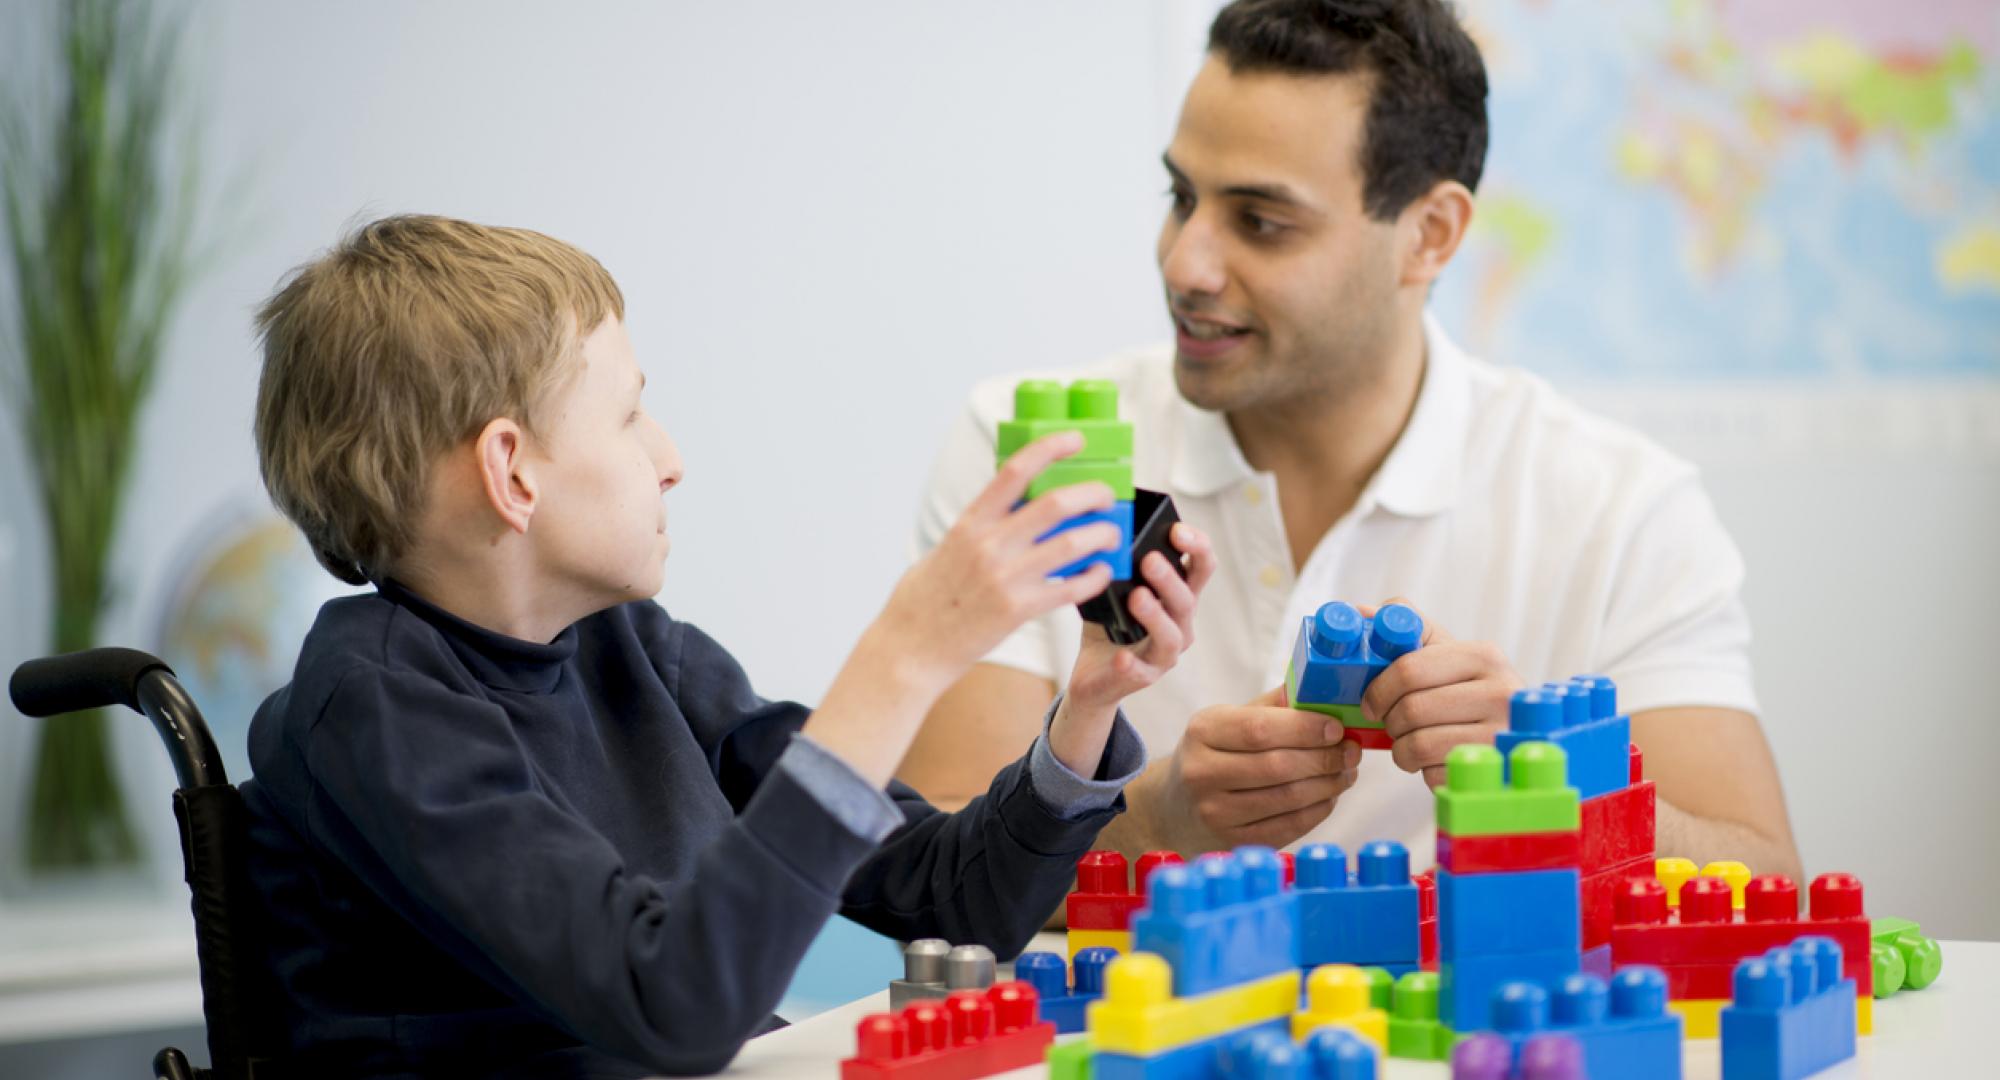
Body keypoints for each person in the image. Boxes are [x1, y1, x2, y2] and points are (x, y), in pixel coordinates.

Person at [237, 215, 1215, 1078]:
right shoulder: (371, 707)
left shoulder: (634, 652)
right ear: (511, 472)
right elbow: (671, 1008)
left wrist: (1086, 709)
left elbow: (950, 909)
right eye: (626, 416)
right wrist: (903, 655)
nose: (669, 460)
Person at [901, 0, 1800, 893]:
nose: (1185, 264)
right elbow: (931, 872)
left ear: (1429, 235)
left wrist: (1555, 781)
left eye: (1261, 221)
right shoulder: (1032, 452)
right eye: (1182, 196)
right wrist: (1153, 821)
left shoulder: (1620, 508)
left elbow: (1766, 880)